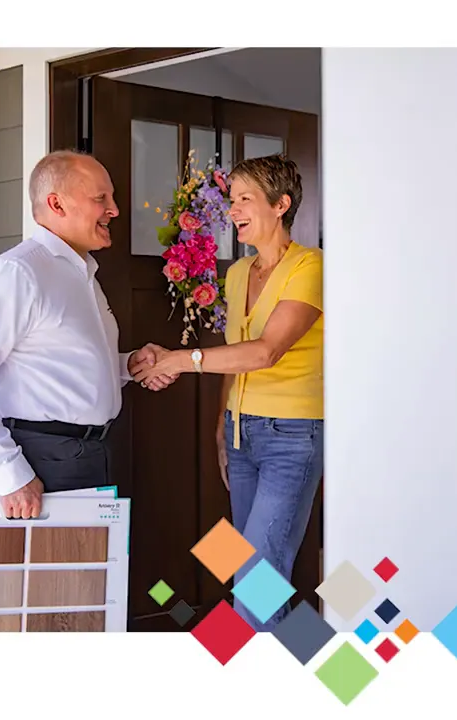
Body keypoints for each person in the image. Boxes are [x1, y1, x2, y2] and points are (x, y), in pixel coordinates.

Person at [135, 155, 323, 631]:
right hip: (243, 435)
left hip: (293, 436)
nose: (234, 209)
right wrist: (223, 425)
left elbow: (264, 352)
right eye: (231, 199)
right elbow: (235, 356)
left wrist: (179, 359)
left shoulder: (311, 267)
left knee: (257, 569)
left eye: (246, 199)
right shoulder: (237, 273)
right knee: (255, 575)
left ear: (280, 205)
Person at [0, 150, 163, 519]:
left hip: (86, 456)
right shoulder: (17, 273)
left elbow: (54, 361)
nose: (114, 210)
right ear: (56, 203)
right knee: (34, 579)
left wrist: (125, 365)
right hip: (37, 463)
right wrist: (10, 475)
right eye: (101, 198)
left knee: (86, 578)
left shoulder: (81, 273)